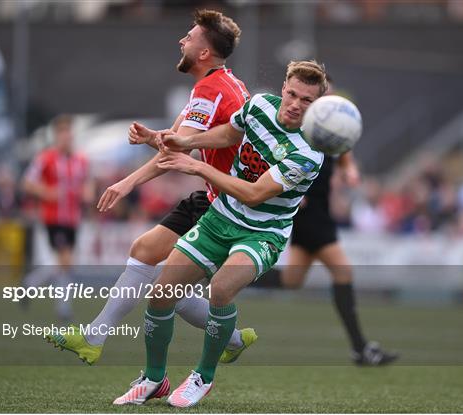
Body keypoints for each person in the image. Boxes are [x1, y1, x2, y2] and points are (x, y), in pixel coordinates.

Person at [111, 60, 327, 407]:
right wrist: (186, 141)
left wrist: (197, 166)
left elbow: (254, 193)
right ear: (283, 88)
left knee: (221, 288)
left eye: (306, 101)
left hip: (262, 233)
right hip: (220, 216)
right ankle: (154, 379)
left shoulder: (308, 153)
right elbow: (229, 133)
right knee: (162, 292)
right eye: (292, 94)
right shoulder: (258, 106)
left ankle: (203, 376)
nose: (295, 104)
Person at [45, 9, 254, 364]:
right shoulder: (220, 84)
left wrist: (126, 182)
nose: (181, 40)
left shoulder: (210, 90)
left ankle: (98, 341)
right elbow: (173, 142)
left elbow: (175, 149)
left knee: (161, 279)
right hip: (214, 196)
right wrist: (152, 138)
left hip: (228, 206)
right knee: (151, 261)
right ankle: (233, 340)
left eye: (189, 37)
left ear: (204, 53)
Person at [257, 78, 398, 366]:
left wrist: (351, 173)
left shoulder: (331, 126)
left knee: (291, 280)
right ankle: (361, 349)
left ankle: (221, 273)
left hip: (320, 210)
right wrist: (289, 188)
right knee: (342, 271)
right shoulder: (298, 130)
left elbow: (346, 157)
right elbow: (273, 158)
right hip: (308, 213)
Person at [22, 114, 93, 322]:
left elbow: (87, 182)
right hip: (54, 217)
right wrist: (45, 192)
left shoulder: (81, 160)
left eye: (68, 132)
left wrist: (88, 193)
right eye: (62, 132)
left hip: (73, 218)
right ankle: (64, 309)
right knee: (65, 260)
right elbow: (27, 182)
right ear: (56, 135)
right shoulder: (46, 158)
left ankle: (29, 284)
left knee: (64, 263)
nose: (66, 137)